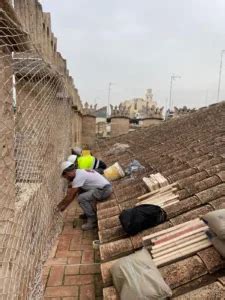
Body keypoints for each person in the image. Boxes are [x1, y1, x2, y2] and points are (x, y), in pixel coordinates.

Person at [58, 161, 112, 230]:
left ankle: (92, 221)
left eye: (66, 177)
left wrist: (60, 207)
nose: (67, 179)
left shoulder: (78, 177)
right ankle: (88, 213)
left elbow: (71, 196)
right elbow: (75, 190)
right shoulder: (80, 171)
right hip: (103, 188)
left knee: (81, 198)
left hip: (104, 190)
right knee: (81, 191)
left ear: (68, 173)